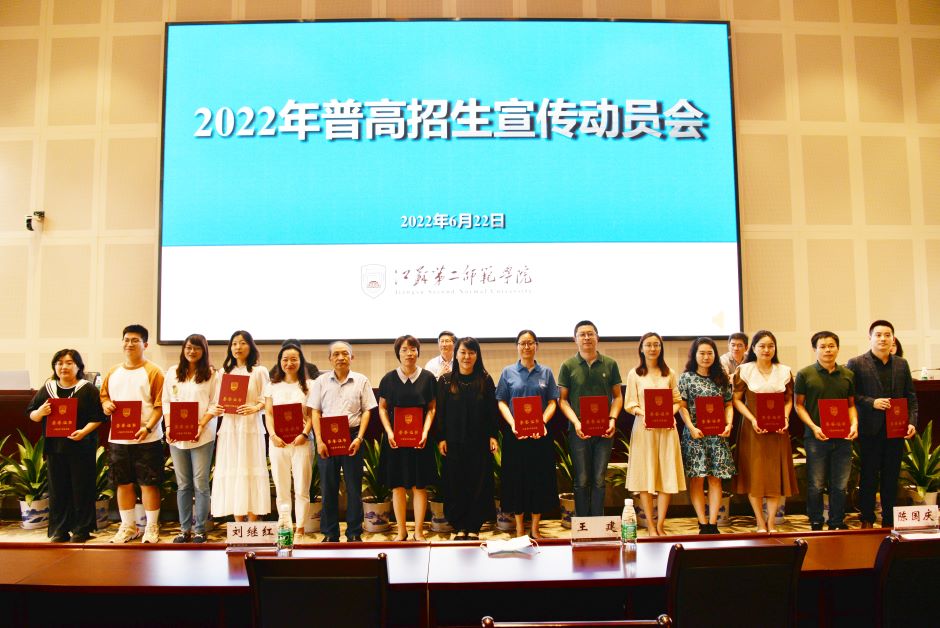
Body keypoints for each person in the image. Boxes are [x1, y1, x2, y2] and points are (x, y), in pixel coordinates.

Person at [26, 349, 105, 543]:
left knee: (81, 488)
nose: (64, 367)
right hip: (55, 449)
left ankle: (81, 530)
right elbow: (32, 414)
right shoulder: (48, 388)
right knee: (58, 490)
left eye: (69, 363)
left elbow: (98, 417)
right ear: (54, 366)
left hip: (81, 447)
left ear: (78, 366)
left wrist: (83, 432)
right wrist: (40, 412)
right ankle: (60, 530)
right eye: (59, 363)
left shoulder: (88, 389)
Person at [847, 320, 918, 529]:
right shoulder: (856, 363)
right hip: (870, 429)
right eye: (878, 335)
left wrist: (912, 422)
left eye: (887, 335)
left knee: (891, 477)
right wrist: (872, 402)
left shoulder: (901, 364)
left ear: (893, 339)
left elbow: (911, 397)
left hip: (896, 429)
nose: (883, 339)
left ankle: (889, 520)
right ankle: (867, 518)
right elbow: (850, 396)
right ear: (870, 338)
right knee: (869, 476)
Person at [100, 324, 165, 543]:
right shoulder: (113, 372)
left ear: (145, 345)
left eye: (135, 340)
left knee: (148, 484)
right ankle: (128, 526)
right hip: (119, 439)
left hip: (147, 438)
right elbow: (104, 396)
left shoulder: (154, 372)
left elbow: (160, 405)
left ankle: (152, 527)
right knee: (123, 483)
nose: (130, 344)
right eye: (126, 340)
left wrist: (147, 427)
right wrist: (106, 405)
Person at [308, 341, 377, 542]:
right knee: (328, 488)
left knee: (354, 488)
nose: (340, 358)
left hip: (353, 437)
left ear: (351, 357)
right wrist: (319, 440)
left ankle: (354, 532)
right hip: (327, 440)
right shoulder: (320, 381)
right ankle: (330, 533)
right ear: (330, 359)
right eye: (336, 354)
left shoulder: (361, 380)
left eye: (345, 354)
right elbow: (315, 411)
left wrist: (359, 438)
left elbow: (367, 411)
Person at [495, 330, 560, 539]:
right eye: (522, 343)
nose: (526, 347)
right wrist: (513, 423)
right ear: (517, 346)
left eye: (530, 343)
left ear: (536, 346)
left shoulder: (546, 372)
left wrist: (542, 422)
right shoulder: (508, 372)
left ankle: (535, 528)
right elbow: (501, 401)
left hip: (540, 436)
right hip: (516, 436)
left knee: (538, 480)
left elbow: (552, 402)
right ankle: (519, 528)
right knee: (517, 481)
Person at [731, 329, 797, 533]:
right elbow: (736, 400)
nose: (766, 350)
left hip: (778, 431)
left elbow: (789, 400)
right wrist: (752, 419)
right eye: (762, 346)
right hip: (753, 430)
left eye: (770, 346)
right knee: (756, 476)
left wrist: (785, 417)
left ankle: (771, 523)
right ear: (753, 348)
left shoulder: (784, 371)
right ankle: (760, 522)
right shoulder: (744, 370)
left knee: (774, 475)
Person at [794, 331, 858, 531]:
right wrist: (814, 427)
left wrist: (854, 424)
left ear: (837, 348)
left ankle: (837, 521)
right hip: (816, 437)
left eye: (831, 346)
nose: (827, 350)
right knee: (816, 484)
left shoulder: (848, 375)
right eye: (822, 346)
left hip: (843, 438)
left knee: (840, 484)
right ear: (815, 349)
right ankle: (815, 521)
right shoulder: (805, 374)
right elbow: (798, 405)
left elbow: (851, 405)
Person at [558, 320, 623, 517]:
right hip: (579, 431)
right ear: (575, 339)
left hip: (605, 431)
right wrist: (576, 423)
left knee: (599, 479)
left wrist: (612, 420)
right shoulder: (567, 366)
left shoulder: (610, 364)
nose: (586, 337)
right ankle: (582, 524)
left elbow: (618, 397)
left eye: (590, 333)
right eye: (582, 334)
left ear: (597, 337)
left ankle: (598, 522)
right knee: (582, 480)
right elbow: (563, 400)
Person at [436, 337, 498, 540]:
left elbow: (491, 411)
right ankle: (459, 526)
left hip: (479, 442)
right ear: (456, 354)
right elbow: (440, 412)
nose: (467, 357)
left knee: (478, 484)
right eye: (463, 352)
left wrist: (493, 435)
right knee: (456, 483)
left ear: (477, 356)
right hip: (453, 442)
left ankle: (474, 526)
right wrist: (441, 438)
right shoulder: (445, 380)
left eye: (471, 352)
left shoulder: (485, 379)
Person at [377, 335, 438, 541]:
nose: (409, 353)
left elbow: (432, 408)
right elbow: (382, 408)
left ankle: (418, 531)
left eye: (413, 349)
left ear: (418, 352)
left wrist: (425, 432)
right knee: (398, 487)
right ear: (398, 353)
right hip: (396, 441)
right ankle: (402, 531)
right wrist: (389, 431)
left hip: (419, 441)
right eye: (404, 349)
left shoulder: (428, 378)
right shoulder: (388, 379)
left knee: (419, 486)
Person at [624, 332, 685, 536]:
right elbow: (630, 403)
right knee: (645, 475)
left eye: (656, 345)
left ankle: (660, 524)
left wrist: (669, 414)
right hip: (644, 429)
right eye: (648, 345)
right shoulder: (634, 374)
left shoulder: (669, 373)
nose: (652, 348)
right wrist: (645, 415)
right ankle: (650, 524)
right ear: (641, 348)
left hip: (667, 430)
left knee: (666, 475)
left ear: (661, 348)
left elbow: (677, 401)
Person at [210, 330, 271, 523]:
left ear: (250, 346)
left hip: (251, 426)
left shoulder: (259, 371)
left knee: (250, 468)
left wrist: (255, 407)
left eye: (243, 343)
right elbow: (216, 400)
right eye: (235, 343)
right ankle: (238, 524)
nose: (238, 347)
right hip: (230, 428)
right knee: (233, 470)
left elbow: (267, 399)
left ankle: (252, 522)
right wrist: (217, 408)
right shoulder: (223, 372)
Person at [163, 334, 219, 543]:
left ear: (203, 351)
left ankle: (200, 529)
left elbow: (215, 403)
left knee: (200, 483)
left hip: (202, 435)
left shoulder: (211, 374)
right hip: (177, 436)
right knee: (183, 484)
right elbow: (167, 401)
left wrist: (200, 425)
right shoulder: (172, 372)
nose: (192, 351)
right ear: (183, 350)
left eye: (196, 348)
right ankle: (184, 529)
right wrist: (169, 427)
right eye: (188, 347)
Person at [677, 337, 735, 535]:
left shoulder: (721, 377)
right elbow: (682, 406)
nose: (706, 357)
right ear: (694, 355)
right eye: (701, 353)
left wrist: (729, 424)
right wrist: (691, 427)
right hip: (695, 435)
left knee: (715, 479)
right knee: (697, 478)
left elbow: (728, 404)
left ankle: (713, 523)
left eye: (710, 353)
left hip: (717, 435)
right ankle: (702, 523)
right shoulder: (686, 378)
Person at [264, 343, 315, 537]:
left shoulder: (310, 385)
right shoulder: (272, 386)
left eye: (294, 359)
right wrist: (273, 435)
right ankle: (285, 525)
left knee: (302, 487)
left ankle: (300, 527)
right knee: (281, 486)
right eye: (285, 359)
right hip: (278, 443)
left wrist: (304, 434)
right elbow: (269, 413)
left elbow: (312, 414)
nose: (289, 363)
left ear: (301, 361)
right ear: (279, 362)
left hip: (301, 442)